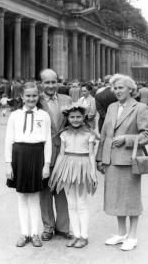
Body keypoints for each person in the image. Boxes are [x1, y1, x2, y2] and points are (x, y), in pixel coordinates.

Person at [96, 74, 148, 251]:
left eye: (121, 88)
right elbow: (105, 134)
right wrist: (100, 157)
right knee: (116, 198)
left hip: (129, 161)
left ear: (131, 89)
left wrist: (127, 139)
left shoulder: (140, 108)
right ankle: (121, 233)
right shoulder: (112, 107)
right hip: (112, 160)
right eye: (114, 88)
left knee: (131, 199)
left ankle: (132, 235)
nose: (117, 91)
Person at [5, 82, 52, 248]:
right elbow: (9, 140)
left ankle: (34, 233)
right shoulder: (15, 115)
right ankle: (24, 233)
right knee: (22, 197)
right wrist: (8, 164)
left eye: (34, 96)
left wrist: (46, 165)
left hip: (37, 154)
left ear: (38, 96)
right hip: (19, 155)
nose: (31, 99)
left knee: (34, 197)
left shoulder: (44, 116)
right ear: (22, 97)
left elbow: (48, 142)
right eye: (28, 96)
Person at [49, 103, 97, 248]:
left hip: (83, 167)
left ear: (83, 117)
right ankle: (76, 234)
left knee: (81, 203)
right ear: (68, 118)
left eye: (78, 117)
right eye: (72, 117)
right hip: (67, 168)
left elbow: (91, 154)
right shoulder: (64, 134)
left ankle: (84, 236)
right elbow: (61, 154)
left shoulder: (89, 133)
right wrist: (55, 174)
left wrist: (93, 173)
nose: (75, 119)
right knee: (71, 204)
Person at [39, 69, 73, 241]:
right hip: (43, 151)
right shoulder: (35, 101)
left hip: (64, 151)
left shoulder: (67, 100)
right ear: (41, 84)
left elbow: (75, 122)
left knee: (62, 189)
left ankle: (63, 227)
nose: (51, 85)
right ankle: (48, 227)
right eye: (47, 82)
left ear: (58, 82)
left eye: (54, 82)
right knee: (45, 191)